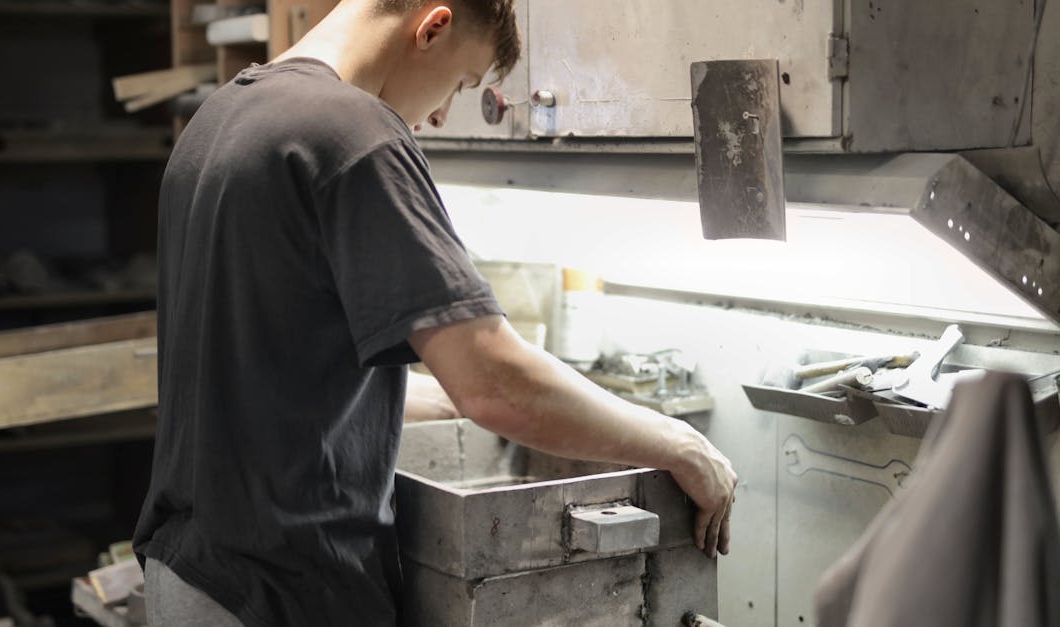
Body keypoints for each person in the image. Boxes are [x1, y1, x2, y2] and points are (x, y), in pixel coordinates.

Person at [133, 0, 738, 625]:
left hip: (190, 575)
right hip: (278, 592)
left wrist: (442, 396)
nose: (442, 113)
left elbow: (260, 362)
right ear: (433, 26)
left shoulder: (219, 119)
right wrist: (679, 444)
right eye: (461, 82)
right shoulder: (352, 135)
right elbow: (495, 383)